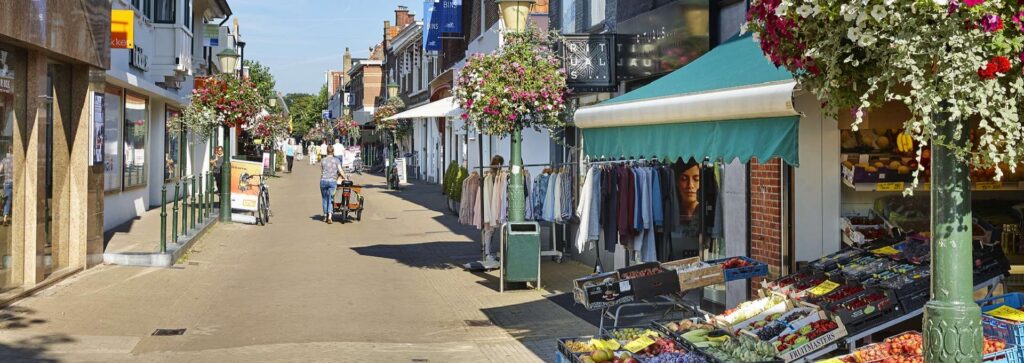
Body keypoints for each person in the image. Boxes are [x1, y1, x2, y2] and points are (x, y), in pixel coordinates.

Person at [319, 145, 347, 224]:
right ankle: (330, 216)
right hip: (332, 182)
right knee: (331, 199)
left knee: (324, 198)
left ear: (326, 151)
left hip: (323, 181)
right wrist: (345, 177)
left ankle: (325, 215)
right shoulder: (336, 160)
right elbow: (340, 170)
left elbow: (321, 171)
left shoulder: (322, 160)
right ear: (333, 152)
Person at [0, 150, 12, 226]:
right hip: (18, 182)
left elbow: (0, 170)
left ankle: (5, 218)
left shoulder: (4, 160)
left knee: (7, 200)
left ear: (8, 151)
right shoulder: (17, 159)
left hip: (7, 182)